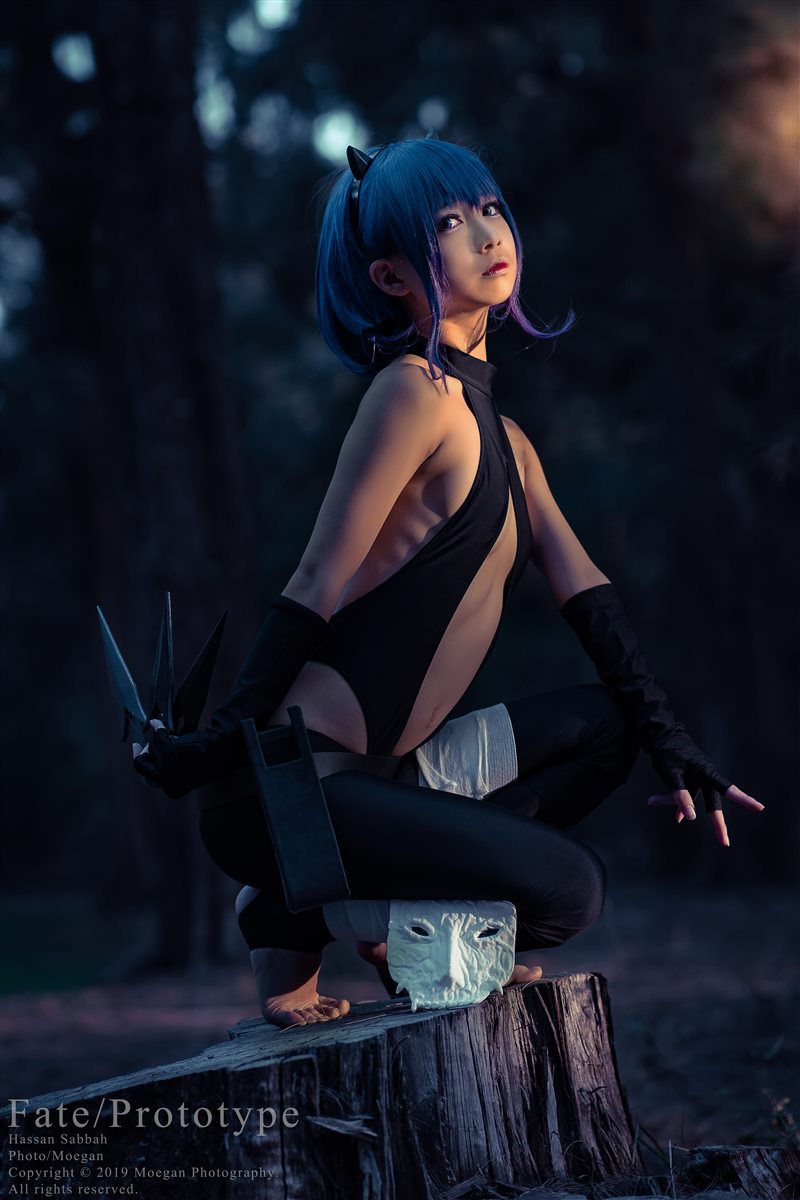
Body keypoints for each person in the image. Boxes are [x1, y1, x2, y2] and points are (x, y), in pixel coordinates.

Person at [133, 134, 763, 1029]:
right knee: (568, 893)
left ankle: (331, 902)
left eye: (490, 208)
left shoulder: (509, 441)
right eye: (448, 223)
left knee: (610, 728)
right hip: (291, 792)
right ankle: (311, 906)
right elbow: (315, 577)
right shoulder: (412, 393)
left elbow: (589, 599)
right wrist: (216, 742)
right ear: (391, 276)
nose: (486, 232)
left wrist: (676, 748)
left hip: (390, 781)